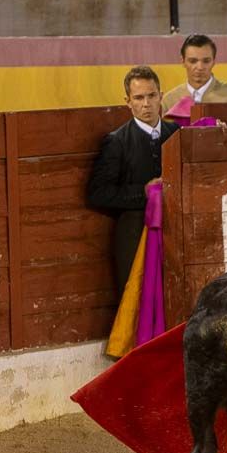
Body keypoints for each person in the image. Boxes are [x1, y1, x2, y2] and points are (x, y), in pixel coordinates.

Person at [88, 66, 179, 297]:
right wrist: (143, 192)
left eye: (151, 96)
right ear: (128, 102)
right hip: (134, 232)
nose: (146, 104)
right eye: (139, 98)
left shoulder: (177, 133)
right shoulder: (117, 141)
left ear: (161, 95)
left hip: (175, 228)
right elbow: (98, 193)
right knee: (136, 297)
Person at [160, 34, 227, 113]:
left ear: (214, 61)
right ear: (183, 61)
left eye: (206, 61)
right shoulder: (169, 102)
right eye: (193, 61)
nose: (200, 67)